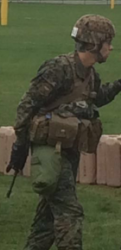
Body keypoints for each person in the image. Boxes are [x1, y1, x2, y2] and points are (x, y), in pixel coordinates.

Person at [7, 14, 120, 250]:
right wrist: (20, 145)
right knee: (70, 213)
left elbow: (96, 99)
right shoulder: (58, 69)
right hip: (51, 152)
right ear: (94, 44)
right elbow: (27, 105)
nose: (111, 47)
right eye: (108, 42)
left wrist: (119, 85)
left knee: (47, 220)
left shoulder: (90, 74)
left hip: (69, 150)